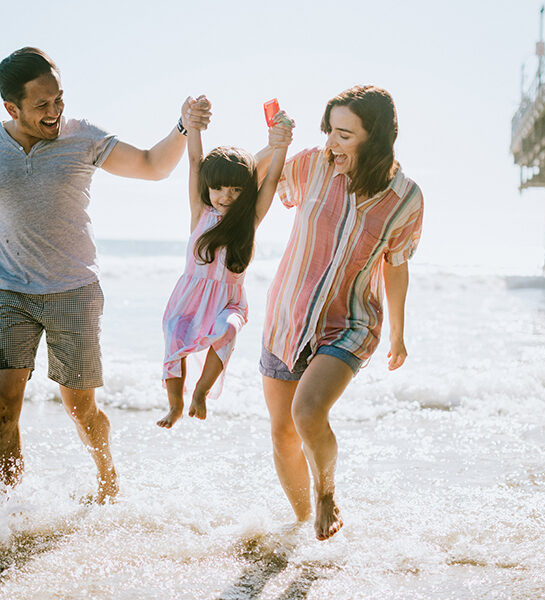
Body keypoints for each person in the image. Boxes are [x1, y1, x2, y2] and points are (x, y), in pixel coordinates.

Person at [0, 47, 209, 503]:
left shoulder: (82, 139)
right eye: (42, 105)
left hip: (73, 290)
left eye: (59, 99)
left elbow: (154, 167)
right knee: (2, 407)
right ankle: (8, 506)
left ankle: (108, 483)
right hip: (9, 291)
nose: (55, 112)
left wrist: (181, 127)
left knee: (79, 407)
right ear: (11, 107)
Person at [259, 85, 424, 540]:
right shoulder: (313, 164)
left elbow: (396, 265)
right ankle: (299, 531)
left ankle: (326, 493)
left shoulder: (405, 198)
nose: (333, 143)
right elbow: (256, 177)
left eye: (345, 135)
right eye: (330, 130)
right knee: (282, 434)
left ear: (376, 138)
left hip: (349, 323)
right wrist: (275, 146)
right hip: (287, 317)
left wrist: (398, 334)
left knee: (307, 413)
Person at [157, 99, 294, 428]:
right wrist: (193, 128)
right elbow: (193, 162)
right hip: (189, 297)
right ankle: (174, 404)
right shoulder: (200, 213)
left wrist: (281, 146)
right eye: (218, 188)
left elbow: (271, 180)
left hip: (228, 301)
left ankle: (201, 392)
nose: (225, 195)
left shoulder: (250, 220)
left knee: (228, 330)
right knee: (175, 340)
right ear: (208, 187)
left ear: (246, 191)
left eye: (235, 189)